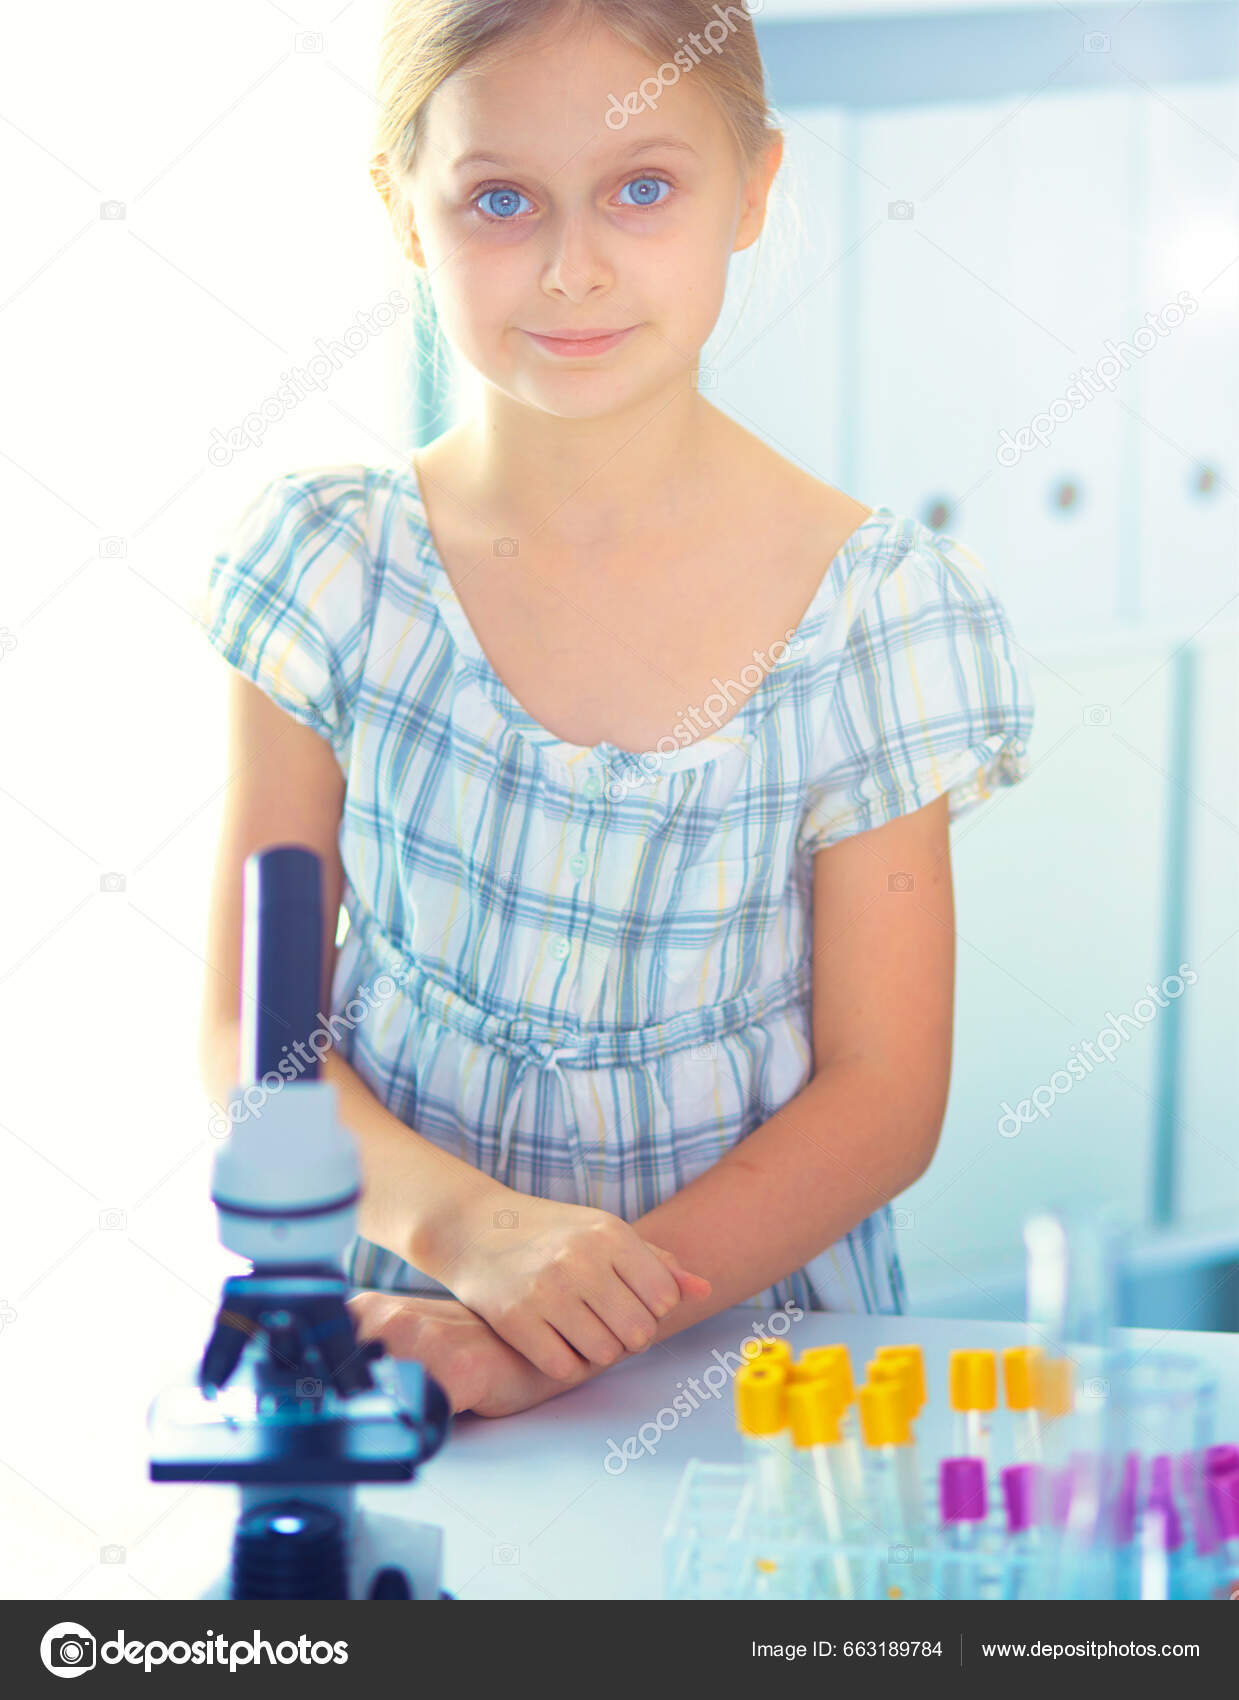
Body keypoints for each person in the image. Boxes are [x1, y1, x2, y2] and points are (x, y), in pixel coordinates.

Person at [200, 0, 1035, 1418]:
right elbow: (249, 1029)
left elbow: (882, 1095)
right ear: (405, 211)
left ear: (755, 189)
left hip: (751, 1362)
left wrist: (542, 1336)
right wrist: (469, 1242)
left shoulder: (879, 611)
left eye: (643, 189)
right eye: (500, 199)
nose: (574, 268)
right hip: (396, 1336)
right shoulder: (328, 567)